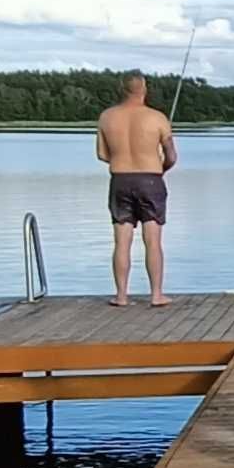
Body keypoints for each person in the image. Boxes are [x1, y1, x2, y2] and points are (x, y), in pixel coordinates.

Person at [96, 72, 178, 308]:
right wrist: (161, 166)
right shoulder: (158, 118)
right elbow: (171, 156)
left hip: (120, 179)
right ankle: (156, 294)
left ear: (122, 89)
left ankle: (121, 295)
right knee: (152, 240)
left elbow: (102, 154)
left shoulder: (107, 117)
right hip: (150, 180)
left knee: (122, 241)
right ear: (144, 89)